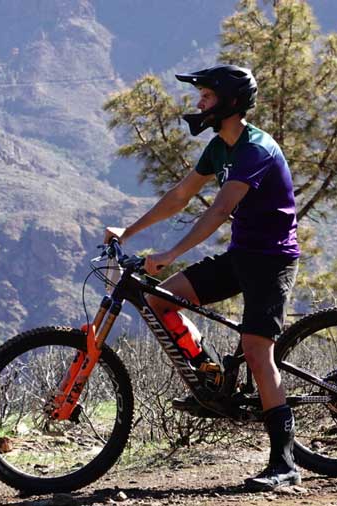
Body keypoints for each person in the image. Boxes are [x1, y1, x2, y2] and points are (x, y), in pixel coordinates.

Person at [103, 64, 301, 491]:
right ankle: (211, 378)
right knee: (160, 299)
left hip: (272, 261)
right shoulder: (219, 148)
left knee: (255, 350)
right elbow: (180, 195)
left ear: (229, 102)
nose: (199, 104)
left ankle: (284, 465)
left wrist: (171, 253)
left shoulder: (255, 150)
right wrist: (129, 231)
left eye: (207, 97)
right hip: (241, 256)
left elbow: (218, 210)